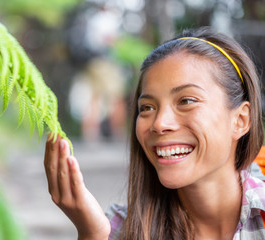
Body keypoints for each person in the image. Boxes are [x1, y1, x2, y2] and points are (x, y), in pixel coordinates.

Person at [43, 27, 265, 240]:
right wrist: (91, 235)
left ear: (240, 120)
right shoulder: (117, 229)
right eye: (147, 107)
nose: (159, 123)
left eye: (186, 101)